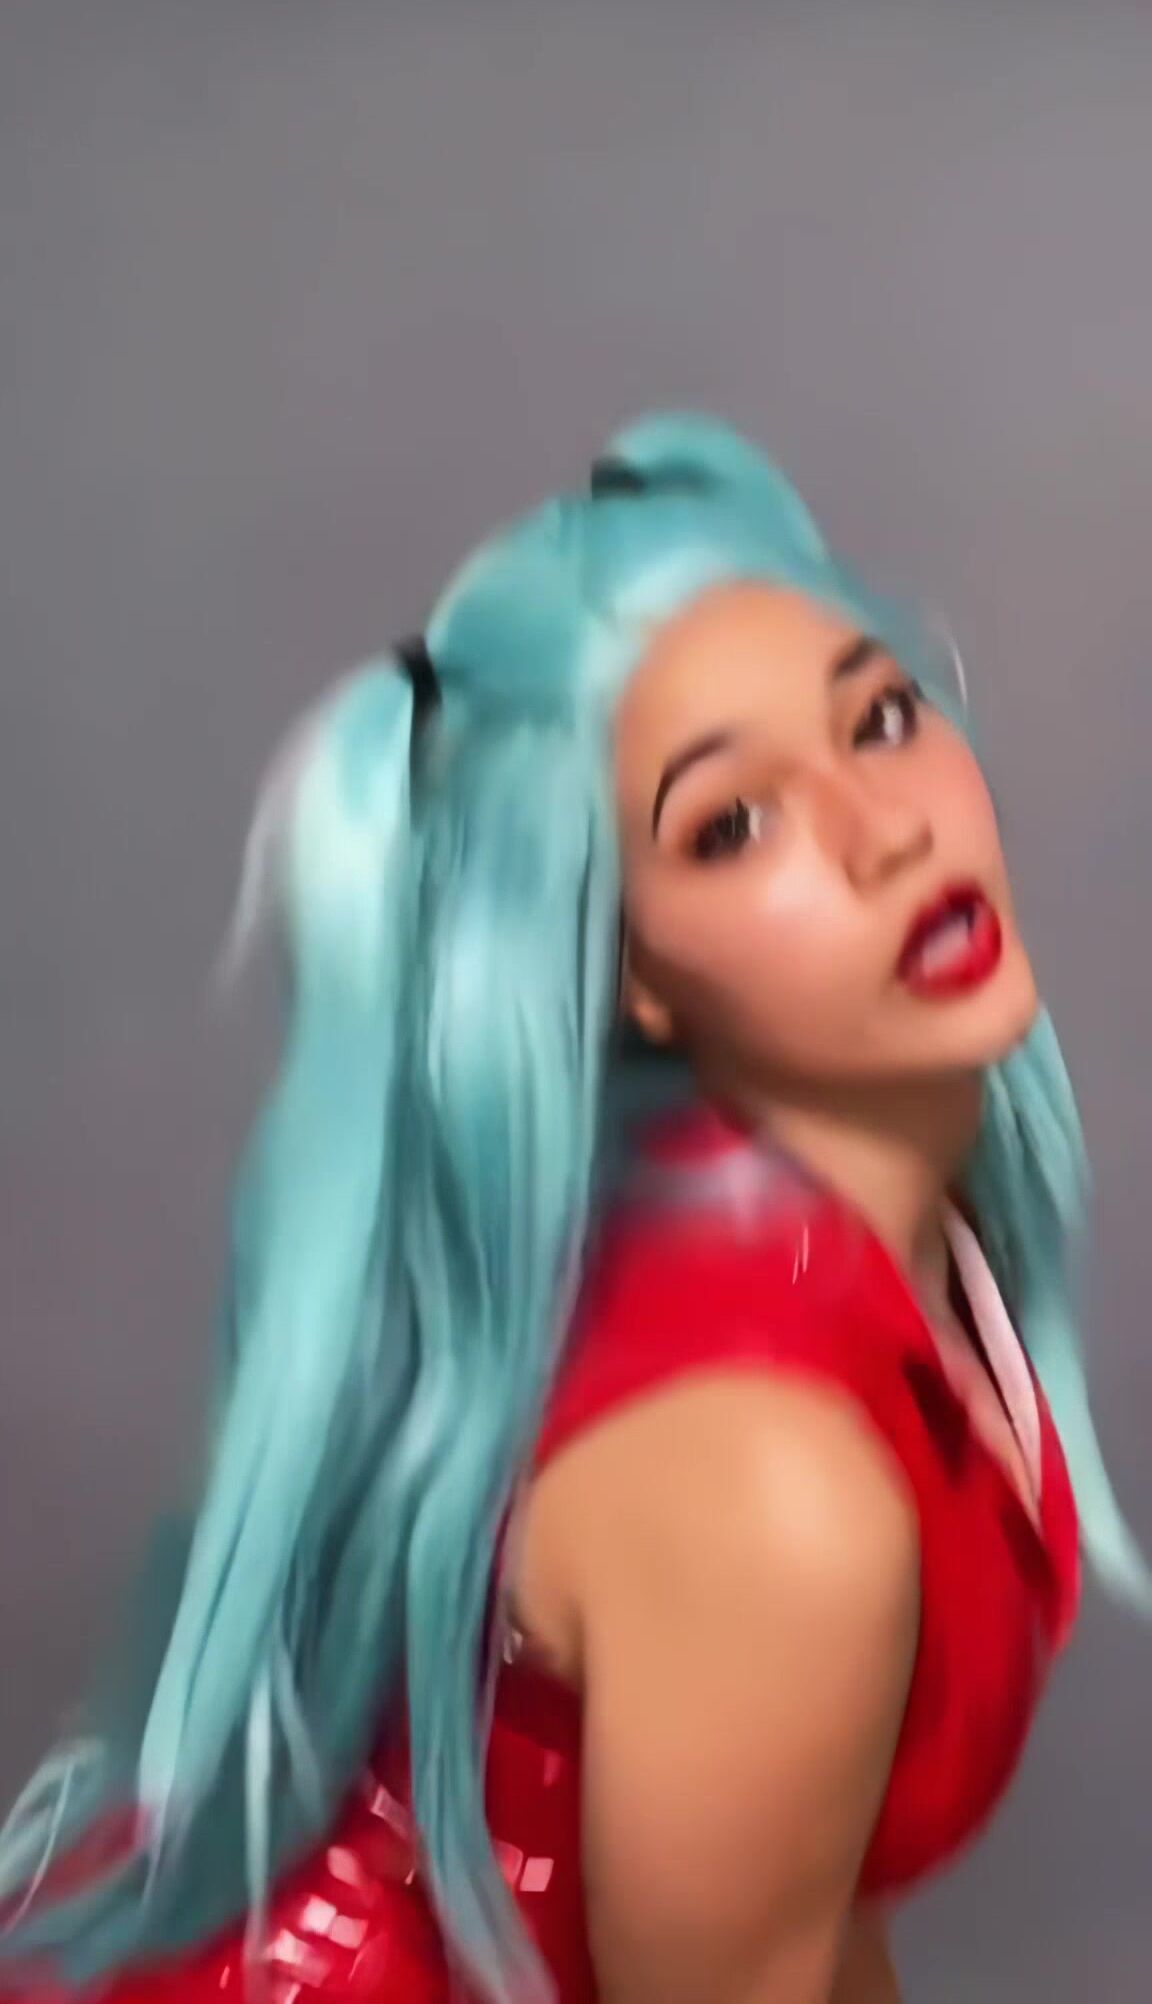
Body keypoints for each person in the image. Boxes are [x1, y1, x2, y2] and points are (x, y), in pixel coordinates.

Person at [0, 413, 1144, 2004]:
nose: (888, 831)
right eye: (731, 824)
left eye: (881, 719)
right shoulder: (774, 1487)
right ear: (628, 972)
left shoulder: (864, 1252)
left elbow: (806, 1918)